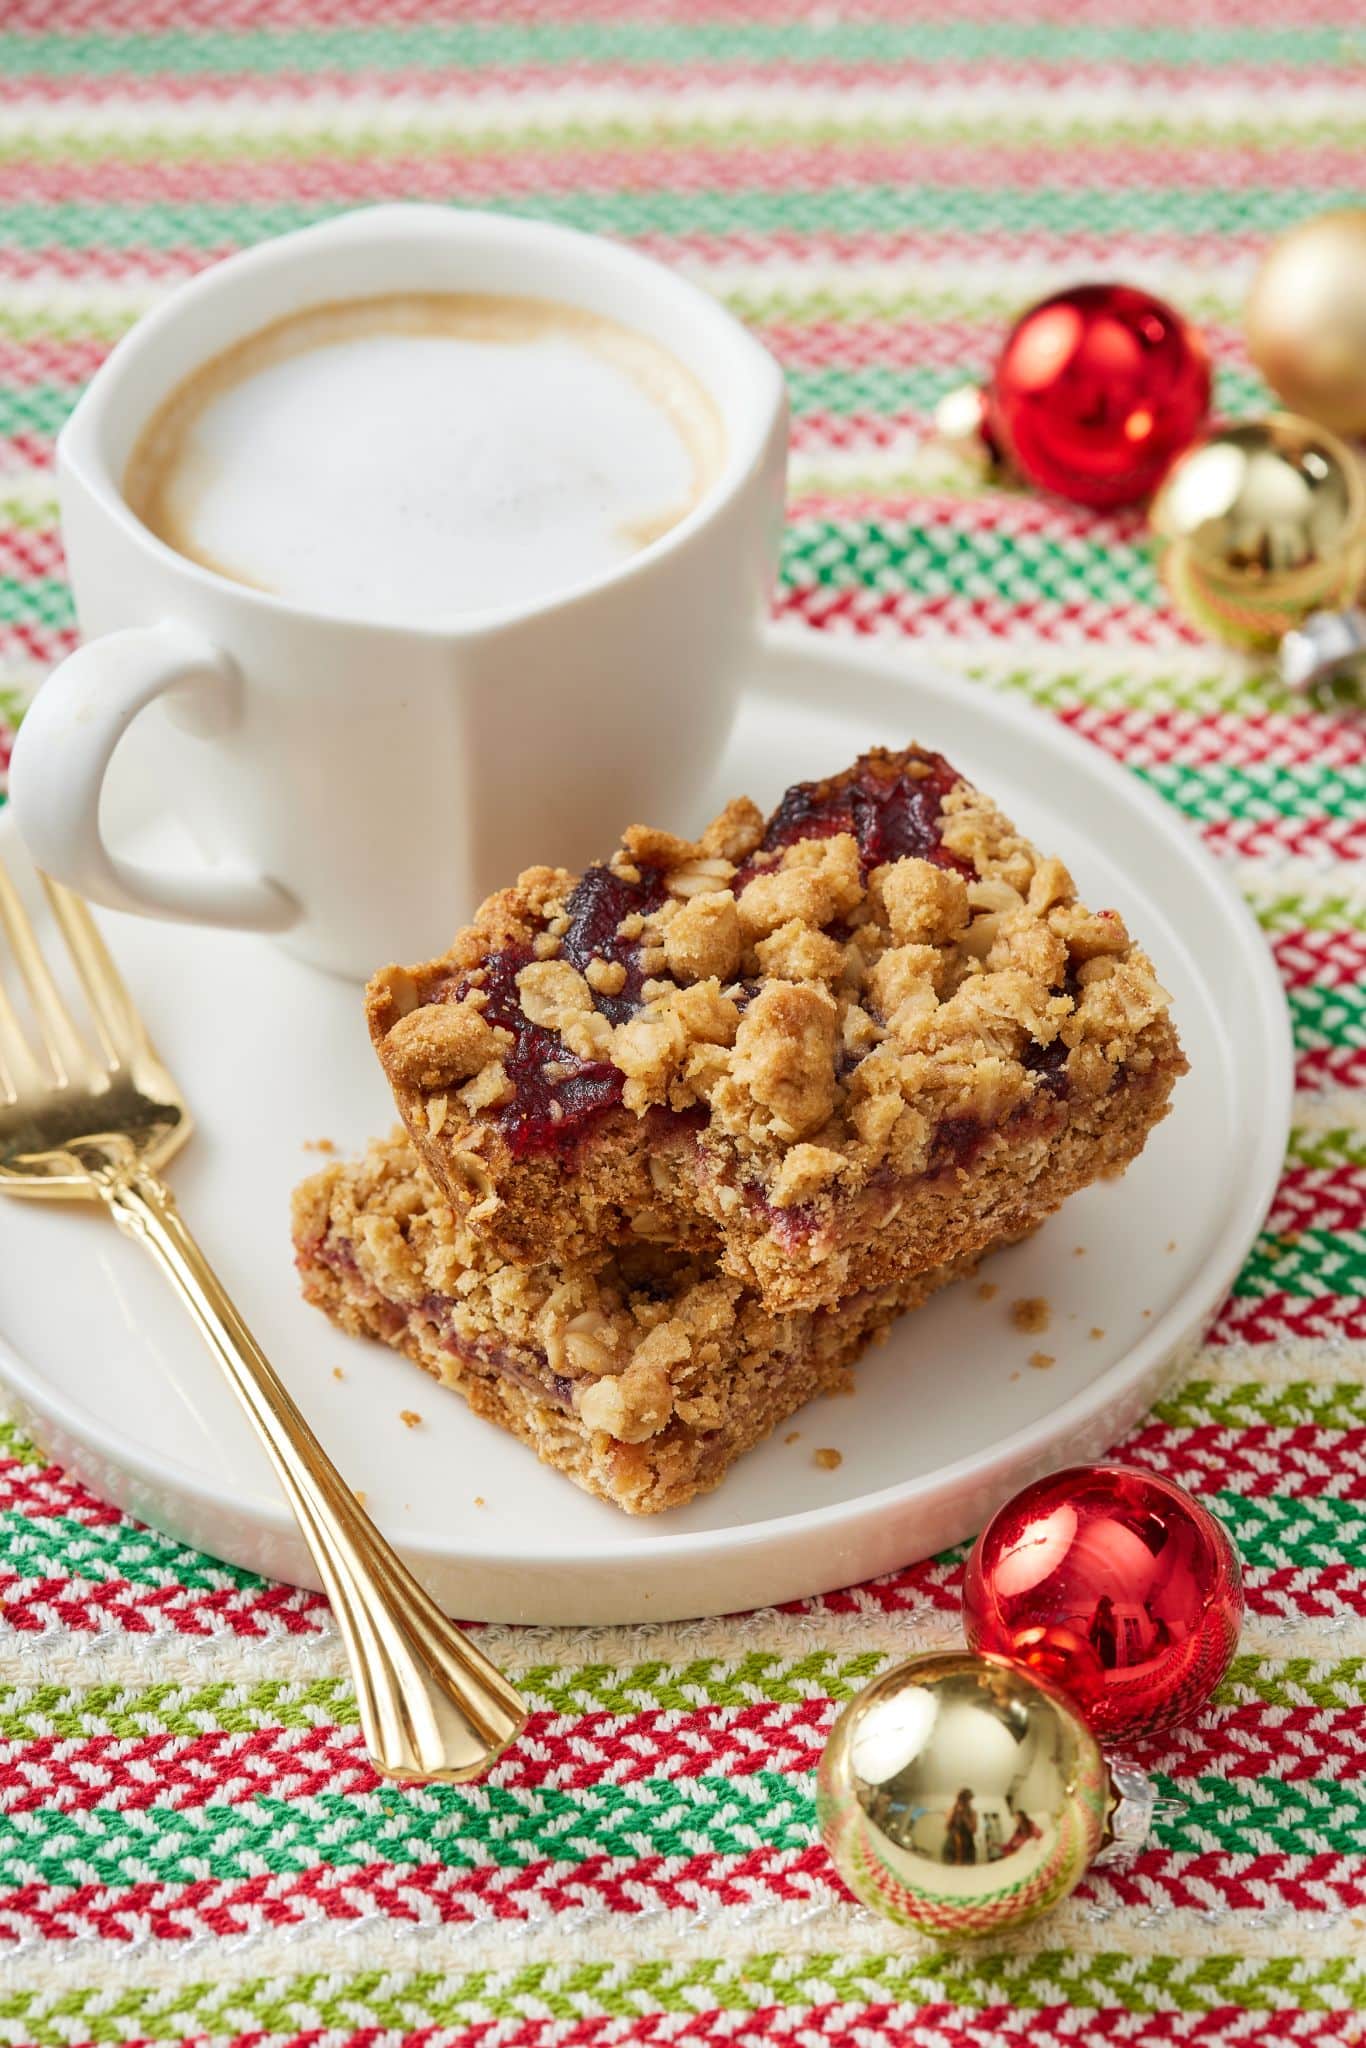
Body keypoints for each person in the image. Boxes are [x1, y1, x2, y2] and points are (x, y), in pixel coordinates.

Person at [942, 1787, 978, 1865]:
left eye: (968, 1800)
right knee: (949, 1868)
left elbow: (974, 1830)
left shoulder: (973, 1813)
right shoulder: (952, 1810)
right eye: (963, 1799)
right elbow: (946, 1828)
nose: (966, 1802)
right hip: (952, 1844)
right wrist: (953, 1813)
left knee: (967, 1870)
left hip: (967, 1845)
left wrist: (964, 1816)